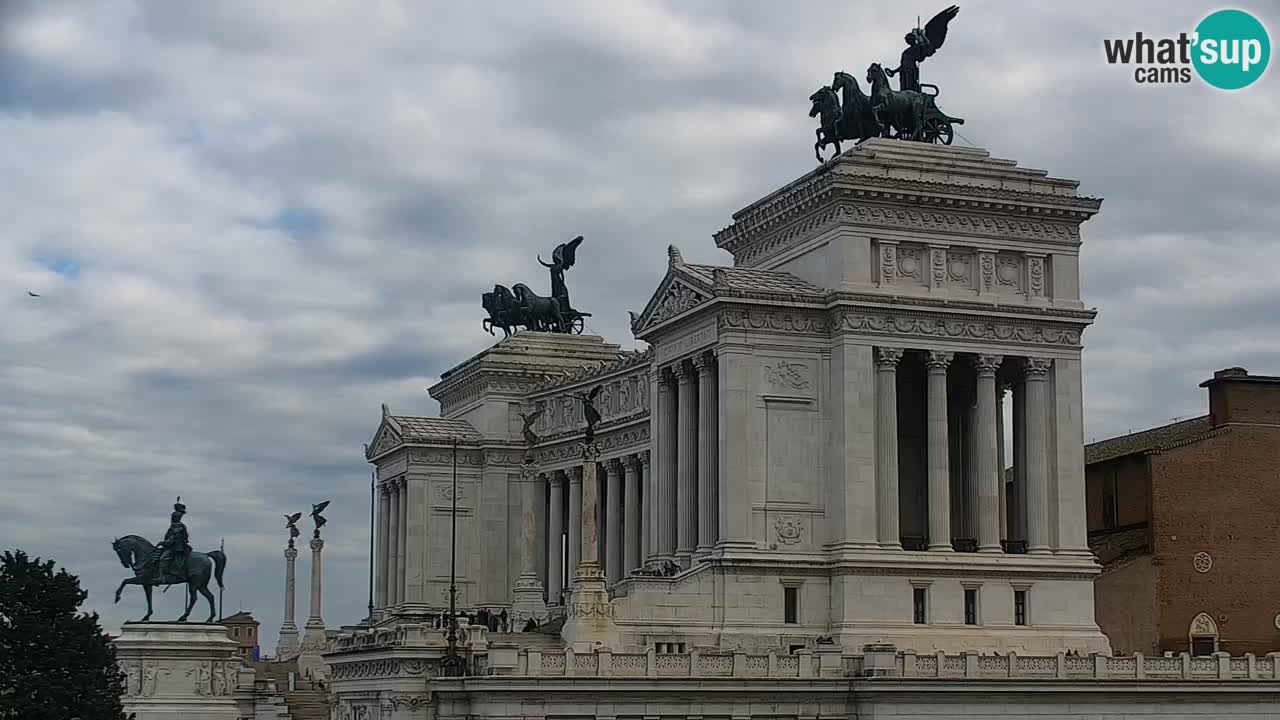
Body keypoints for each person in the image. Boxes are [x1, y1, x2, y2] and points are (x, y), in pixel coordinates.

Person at [155, 498, 191, 583]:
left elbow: (171, 540)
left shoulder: (177, 527)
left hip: (176, 547)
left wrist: (162, 543)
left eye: (174, 516)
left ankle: (162, 577)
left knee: (163, 558)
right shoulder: (178, 526)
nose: (172, 517)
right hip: (173, 545)